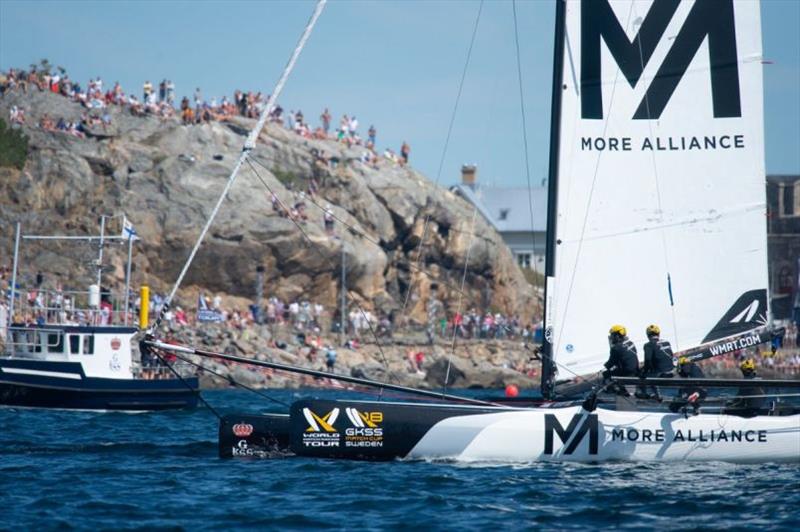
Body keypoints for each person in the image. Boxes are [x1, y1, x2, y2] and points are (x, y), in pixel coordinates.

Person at [636, 324, 674, 400]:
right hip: (671, 370)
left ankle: (646, 394)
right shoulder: (667, 342)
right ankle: (656, 393)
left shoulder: (648, 345)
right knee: (652, 371)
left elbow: (648, 360)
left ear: (648, 335)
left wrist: (643, 371)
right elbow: (671, 355)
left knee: (642, 374)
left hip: (660, 373)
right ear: (658, 333)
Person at [602, 324, 639, 396]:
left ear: (617, 336)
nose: (612, 338)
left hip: (627, 372)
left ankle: (612, 390)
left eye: (612, 335)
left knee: (606, 373)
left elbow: (611, 362)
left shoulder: (616, 348)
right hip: (636, 370)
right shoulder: (631, 343)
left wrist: (605, 366)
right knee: (617, 369)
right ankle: (622, 388)